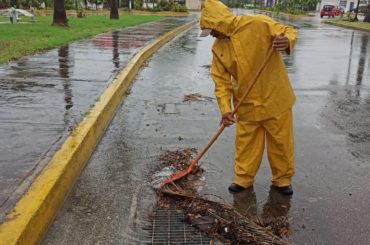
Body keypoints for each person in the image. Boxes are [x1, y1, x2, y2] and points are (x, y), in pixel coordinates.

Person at [200, 0, 298, 195]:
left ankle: (283, 179)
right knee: (246, 144)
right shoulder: (218, 47)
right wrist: (225, 109)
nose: (211, 34)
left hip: (275, 97)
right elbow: (221, 81)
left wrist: (286, 40)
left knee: (281, 143)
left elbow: (288, 31)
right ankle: (243, 178)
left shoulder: (258, 23)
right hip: (246, 103)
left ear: (219, 23)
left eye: (211, 29)